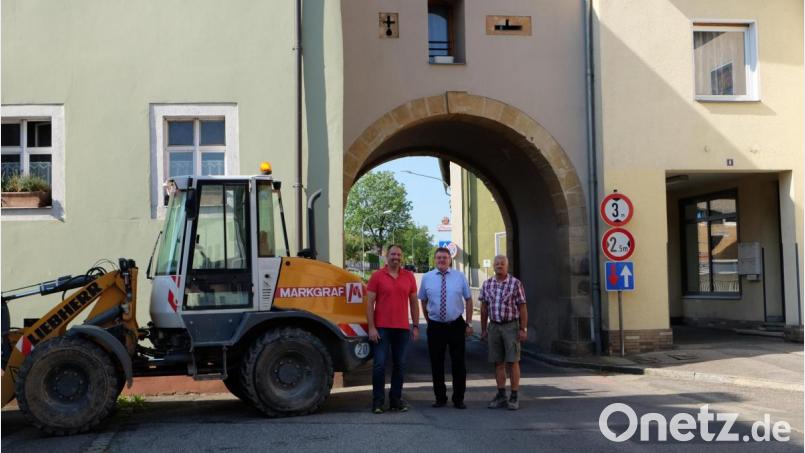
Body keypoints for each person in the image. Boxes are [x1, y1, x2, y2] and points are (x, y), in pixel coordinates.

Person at [366, 244, 420, 414]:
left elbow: (413, 302)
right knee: (379, 365)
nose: (396, 257)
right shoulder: (377, 276)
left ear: (401, 257)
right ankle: (378, 402)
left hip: (402, 329)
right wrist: (371, 327)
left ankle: (396, 400)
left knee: (400, 365)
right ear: (386, 256)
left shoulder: (409, 276)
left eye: (398, 254)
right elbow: (369, 303)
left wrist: (416, 326)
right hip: (381, 329)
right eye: (393, 254)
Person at [418, 247, 473, 409]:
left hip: (456, 324)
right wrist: (429, 321)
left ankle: (458, 398)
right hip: (436, 326)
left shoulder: (459, 276)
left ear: (450, 259)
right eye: (439, 257)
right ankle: (440, 398)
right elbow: (423, 300)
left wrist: (469, 323)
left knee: (458, 363)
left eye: (445, 257)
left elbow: (469, 300)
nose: (442, 260)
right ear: (434, 260)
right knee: (437, 363)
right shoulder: (427, 278)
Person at [479, 255, 528, 410]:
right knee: (498, 362)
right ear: (493, 266)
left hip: (511, 327)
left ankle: (514, 396)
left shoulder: (515, 284)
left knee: (513, 361)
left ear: (507, 266)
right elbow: (484, 308)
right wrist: (483, 329)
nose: (499, 266)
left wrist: (523, 328)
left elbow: (522, 307)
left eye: (502, 264)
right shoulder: (487, 284)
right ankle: (501, 395)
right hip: (494, 326)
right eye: (497, 264)